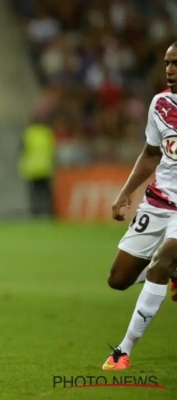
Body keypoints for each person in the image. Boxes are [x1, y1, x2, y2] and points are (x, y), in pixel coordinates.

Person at [102, 42, 177, 371]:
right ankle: (174, 271)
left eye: (176, 63)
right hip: (158, 202)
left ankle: (123, 351)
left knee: (160, 264)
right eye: (167, 63)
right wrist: (126, 192)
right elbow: (151, 153)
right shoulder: (160, 104)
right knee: (118, 279)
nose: (170, 70)